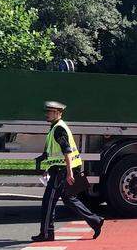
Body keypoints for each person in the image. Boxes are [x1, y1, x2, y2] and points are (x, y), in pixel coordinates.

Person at [32, 101, 104, 242]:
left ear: (59, 113)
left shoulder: (59, 129)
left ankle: (47, 233)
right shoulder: (55, 127)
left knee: (49, 201)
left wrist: (69, 172)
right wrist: (45, 162)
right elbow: (55, 152)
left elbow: (66, 150)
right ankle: (95, 221)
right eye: (47, 111)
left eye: (50, 112)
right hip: (62, 169)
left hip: (62, 171)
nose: (47, 114)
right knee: (69, 198)